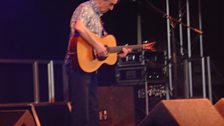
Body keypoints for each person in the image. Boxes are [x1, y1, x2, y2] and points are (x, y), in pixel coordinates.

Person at [64, 0, 154, 126]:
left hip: (90, 68)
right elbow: (79, 26)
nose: (111, 8)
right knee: (81, 113)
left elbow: (104, 47)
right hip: (77, 66)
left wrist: (118, 52)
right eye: (111, 4)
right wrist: (97, 45)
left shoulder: (98, 18)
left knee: (93, 111)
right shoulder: (86, 8)